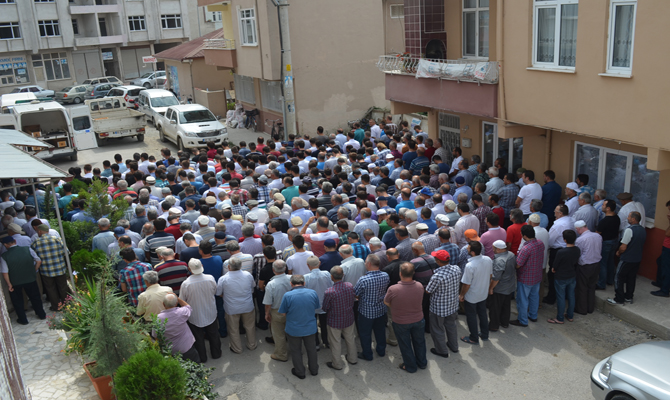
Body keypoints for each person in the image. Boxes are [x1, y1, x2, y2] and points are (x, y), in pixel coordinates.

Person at [384, 262, 427, 373]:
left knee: (405, 344)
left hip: (400, 322)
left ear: (400, 274)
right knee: (420, 341)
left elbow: (386, 302)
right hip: (418, 319)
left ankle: (410, 366)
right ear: (413, 273)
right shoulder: (419, 286)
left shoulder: (393, 289)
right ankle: (422, 362)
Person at [278, 274, 321, 379]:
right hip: (310, 327)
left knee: (296, 350)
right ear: (304, 283)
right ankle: (314, 369)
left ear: (291, 284)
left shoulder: (288, 295)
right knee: (311, 349)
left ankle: (300, 372)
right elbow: (316, 307)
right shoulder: (313, 293)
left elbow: (283, 313)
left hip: (294, 329)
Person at [179, 259, 222, 362]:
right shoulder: (210, 278)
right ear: (202, 266)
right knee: (214, 335)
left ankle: (202, 358)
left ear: (189, 269)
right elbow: (215, 291)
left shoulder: (186, 284)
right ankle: (216, 354)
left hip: (194, 315)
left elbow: (182, 300)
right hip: (210, 311)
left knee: (198, 338)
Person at [1, 236, 46, 325]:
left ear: (5, 245)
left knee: (17, 301)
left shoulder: (4, 256)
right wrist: (34, 271)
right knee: (35, 297)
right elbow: (38, 261)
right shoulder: (27, 249)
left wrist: (9, 284)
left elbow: (5, 272)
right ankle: (41, 314)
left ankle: (23, 319)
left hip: (15, 281)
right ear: (15, 241)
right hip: (30, 278)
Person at [216, 257, 257, 354]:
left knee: (233, 329)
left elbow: (219, 293)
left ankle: (237, 348)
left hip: (232, 308)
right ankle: (252, 345)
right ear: (240, 266)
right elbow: (252, 287)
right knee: (250, 327)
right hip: (247, 306)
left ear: (229, 267)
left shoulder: (223, 279)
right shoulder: (248, 275)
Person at [354, 254, 390, 361]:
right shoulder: (385, 275)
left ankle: (367, 354)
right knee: (380, 331)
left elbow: (356, 293)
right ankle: (381, 350)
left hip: (366, 312)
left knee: (365, 334)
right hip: (381, 309)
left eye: (365, 262)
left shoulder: (363, 280)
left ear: (369, 264)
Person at [322, 266, 358, 370]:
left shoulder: (329, 292)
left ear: (331, 277)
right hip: (349, 318)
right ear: (343, 275)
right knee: (350, 339)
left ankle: (337, 364)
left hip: (334, 321)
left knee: (335, 342)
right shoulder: (349, 285)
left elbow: (325, 308)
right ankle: (353, 358)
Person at [608, 212, 646, 305]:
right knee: (631, 278)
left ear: (633, 219)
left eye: (629, 217)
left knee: (618, 277)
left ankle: (619, 298)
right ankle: (629, 296)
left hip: (627, 258)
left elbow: (623, 246)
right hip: (637, 258)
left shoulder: (629, 230)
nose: (627, 218)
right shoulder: (642, 230)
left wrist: (618, 252)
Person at [510, 225, 544, 327]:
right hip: (537, 276)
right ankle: (533, 315)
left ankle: (522, 320)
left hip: (525, 278)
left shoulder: (526, 248)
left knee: (522, 299)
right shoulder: (540, 243)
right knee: (534, 297)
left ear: (524, 235)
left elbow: (518, 264)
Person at [459, 242, 492, 344]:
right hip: (483, 293)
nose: (467, 250)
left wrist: (462, 295)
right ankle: (484, 334)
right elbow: (490, 275)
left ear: (472, 252)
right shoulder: (488, 259)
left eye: (468, 249)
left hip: (472, 295)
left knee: (471, 316)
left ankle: (473, 338)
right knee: (482, 314)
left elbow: (466, 284)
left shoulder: (470, 266)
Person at [31, 225, 69, 311]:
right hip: (60, 268)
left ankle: (56, 306)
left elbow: (33, 256)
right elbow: (66, 252)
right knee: (63, 287)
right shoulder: (57, 239)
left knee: (51, 289)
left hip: (46, 270)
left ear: (40, 231)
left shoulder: (36, 243)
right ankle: (66, 305)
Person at [544, 205, 575, 305]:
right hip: (569, 249)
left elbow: (551, 240)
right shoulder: (571, 220)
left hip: (558, 251)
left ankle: (551, 297)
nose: (554, 211)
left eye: (556, 210)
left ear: (560, 213)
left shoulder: (558, 225)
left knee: (553, 274)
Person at [547, 230, 580, 324]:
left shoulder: (561, 252)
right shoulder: (577, 249)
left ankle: (560, 318)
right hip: (572, 275)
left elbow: (555, 265)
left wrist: (554, 269)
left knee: (561, 297)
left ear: (564, 240)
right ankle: (570, 315)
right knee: (571, 295)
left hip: (561, 276)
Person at [157, 294, 201, 363]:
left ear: (163, 304)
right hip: (187, 347)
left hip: (171, 350)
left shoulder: (158, 318)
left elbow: (156, 336)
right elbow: (188, 307)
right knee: (195, 366)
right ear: (176, 303)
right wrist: (178, 298)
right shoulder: (181, 312)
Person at [263, 260, 292, 362]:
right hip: (292, 310)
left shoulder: (271, 284)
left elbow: (268, 302)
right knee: (292, 332)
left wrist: (267, 313)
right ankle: (296, 350)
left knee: (279, 334)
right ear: (285, 268)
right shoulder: (292, 279)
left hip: (277, 311)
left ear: (273, 270)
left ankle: (281, 354)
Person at [574, 221, 602, 315]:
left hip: (585, 266)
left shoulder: (580, 240)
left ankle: (582, 309)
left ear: (579, 228)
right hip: (596, 264)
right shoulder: (598, 236)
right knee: (591, 286)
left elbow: (578, 253)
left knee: (582, 287)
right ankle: (590, 308)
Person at [488, 240, 516, 331]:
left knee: (495, 308)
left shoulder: (500, 260)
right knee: (506, 305)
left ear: (498, 249)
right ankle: (504, 323)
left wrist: (491, 288)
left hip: (500, 288)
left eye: (493, 248)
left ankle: (493, 326)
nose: (492, 250)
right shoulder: (511, 255)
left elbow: (496, 278)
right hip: (509, 286)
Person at [597, 200, 621, 290]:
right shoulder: (617, 218)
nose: (602, 206)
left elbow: (597, 233)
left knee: (603, 263)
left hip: (606, 242)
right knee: (610, 261)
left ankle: (601, 284)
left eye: (603, 205)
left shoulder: (604, 221)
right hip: (614, 241)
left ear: (608, 208)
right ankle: (610, 280)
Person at [651, 200, 670, 298]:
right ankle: (660, 282)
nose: (668, 214)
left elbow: (667, 233)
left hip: (668, 248)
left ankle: (665, 290)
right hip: (666, 246)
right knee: (660, 261)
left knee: (666, 269)